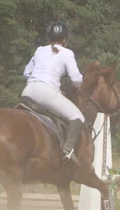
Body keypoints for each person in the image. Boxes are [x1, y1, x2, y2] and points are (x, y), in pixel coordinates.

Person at [21, 21, 85, 164]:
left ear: (49, 37)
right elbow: (76, 78)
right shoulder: (67, 53)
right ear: (64, 39)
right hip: (46, 93)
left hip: (28, 91)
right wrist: (76, 86)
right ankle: (67, 152)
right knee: (78, 117)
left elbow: (26, 73)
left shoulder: (39, 50)